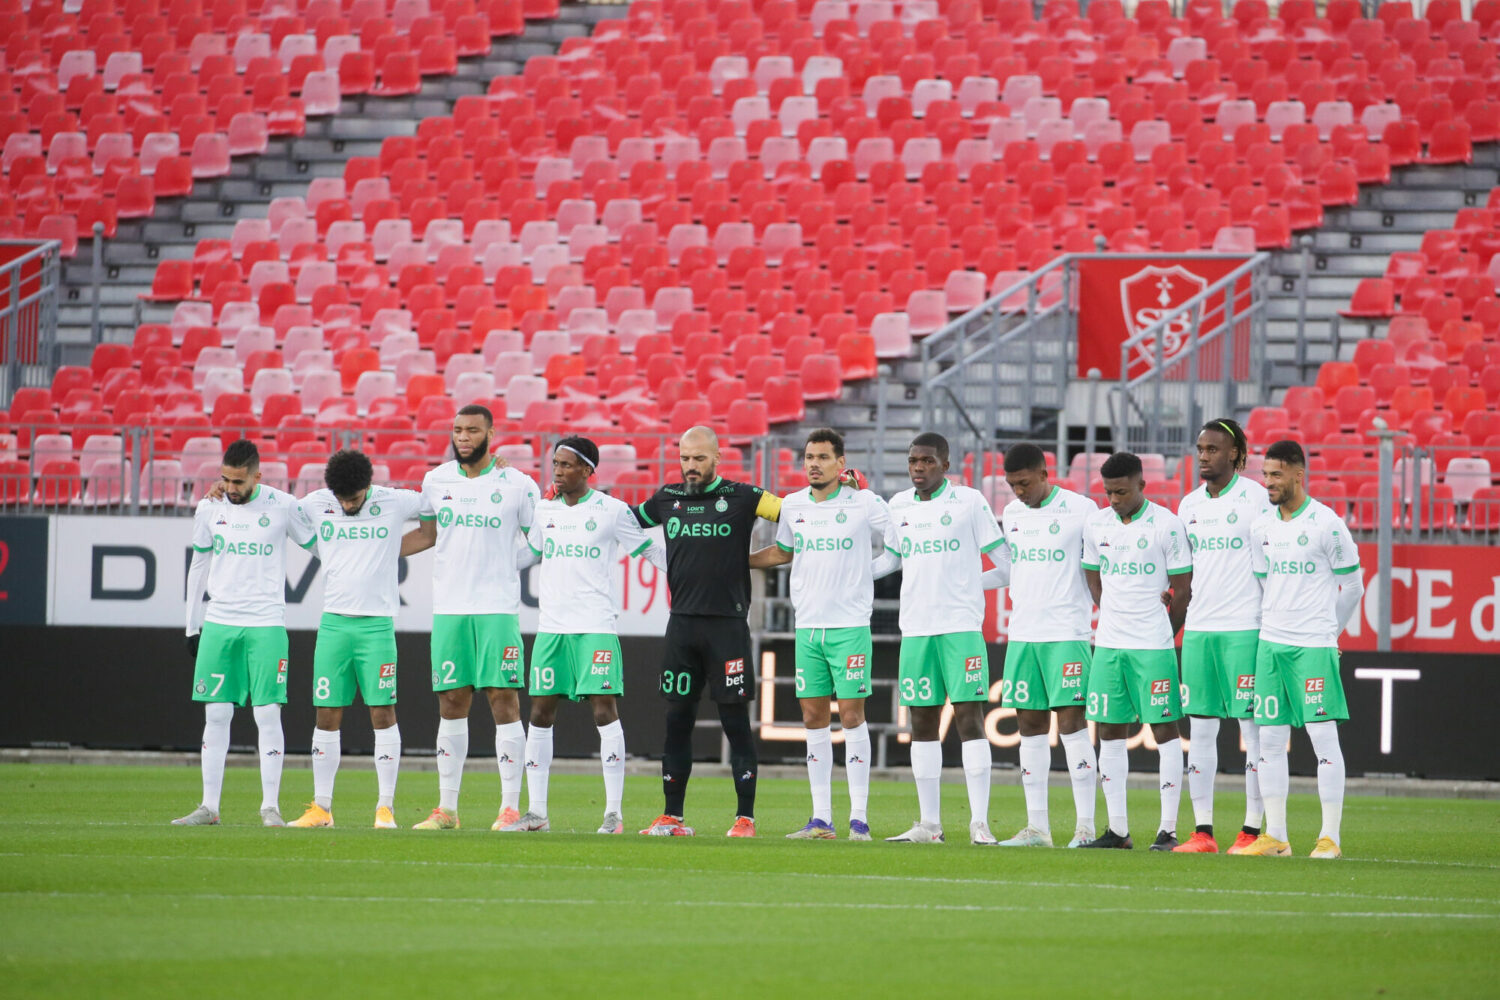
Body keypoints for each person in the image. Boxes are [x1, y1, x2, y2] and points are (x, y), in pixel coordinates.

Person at [497, 437, 666, 834]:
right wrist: (489, 556)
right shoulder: (545, 510)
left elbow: (649, 551)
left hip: (595, 626)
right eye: (555, 463)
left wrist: (693, 571)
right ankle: (537, 813)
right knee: (540, 713)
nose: (557, 471)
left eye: (566, 464)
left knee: (604, 710)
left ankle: (614, 813)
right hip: (552, 628)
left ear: (588, 470)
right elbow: (529, 554)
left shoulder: (611, 511)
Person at [633, 426, 783, 838]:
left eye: (699, 458)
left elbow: (795, 513)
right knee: (677, 720)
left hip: (727, 627)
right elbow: (623, 519)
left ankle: (745, 818)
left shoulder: (744, 496)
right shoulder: (666, 499)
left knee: (735, 722)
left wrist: (770, 555)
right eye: (685, 458)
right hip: (682, 625)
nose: (691, 466)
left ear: (717, 457)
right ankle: (672, 816)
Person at [748, 428, 893, 841]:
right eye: (809, 457)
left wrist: (865, 574)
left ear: (840, 463)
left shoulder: (863, 503)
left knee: (851, 716)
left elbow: (898, 545)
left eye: (823, 457)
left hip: (850, 627)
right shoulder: (793, 505)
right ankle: (821, 818)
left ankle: (859, 819)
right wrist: (736, 561)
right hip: (808, 627)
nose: (814, 464)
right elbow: (783, 552)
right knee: (812, 718)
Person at [400, 404, 539, 831]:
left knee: (503, 698)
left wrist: (507, 565)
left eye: (472, 430)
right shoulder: (436, 480)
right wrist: (373, 550)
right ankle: (447, 810)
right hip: (450, 608)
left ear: (490, 434)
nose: (463, 437)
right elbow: (426, 534)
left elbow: (538, 540)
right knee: (451, 700)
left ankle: (510, 807)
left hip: (497, 608)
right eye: (458, 429)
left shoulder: (518, 484)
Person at [174, 440, 317, 827]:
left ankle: (270, 807)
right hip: (220, 621)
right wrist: (192, 624)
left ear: (258, 476)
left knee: (267, 713)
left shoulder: (282, 506)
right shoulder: (209, 508)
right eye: (225, 479)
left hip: (266, 622)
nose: (231, 488)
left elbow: (319, 547)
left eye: (238, 481)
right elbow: (198, 566)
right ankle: (209, 807)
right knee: (216, 713)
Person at [286, 449, 425, 829]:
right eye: (342, 499)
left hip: (376, 626)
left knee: (382, 712)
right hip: (334, 624)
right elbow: (278, 511)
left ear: (368, 486)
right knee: (327, 713)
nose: (347, 505)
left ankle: (385, 807)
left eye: (354, 498)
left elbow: (441, 504)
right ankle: (321, 808)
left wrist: (393, 547)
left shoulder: (394, 501)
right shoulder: (317, 503)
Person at [881, 433, 1008, 845]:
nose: (918, 467)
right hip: (916, 629)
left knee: (969, 717)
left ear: (946, 465)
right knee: (921, 720)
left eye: (927, 461)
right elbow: (890, 560)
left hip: (960, 628)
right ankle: (929, 825)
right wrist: (848, 575)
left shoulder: (969, 502)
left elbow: (1006, 565)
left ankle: (980, 823)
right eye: (913, 460)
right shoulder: (898, 505)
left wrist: (970, 584)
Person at [1242, 439, 1362, 859]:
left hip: (1313, 645)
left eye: (1276, 474)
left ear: (1298, 474)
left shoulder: (1327, 524)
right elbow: (1265, 582)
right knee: (1269, 743)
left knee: (1323, 740)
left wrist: (1331, 633)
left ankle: (1330, 838)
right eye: (1265, 474)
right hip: (1271, 645)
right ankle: (1276, 836)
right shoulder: (1261, 528)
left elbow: (1353, 586)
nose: (1268, 482)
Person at [1080, 451, 1193, 851]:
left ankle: (1168, 830)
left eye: (1122, 492)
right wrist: (1110, 610)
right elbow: (1092, 575)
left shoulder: (1167, 525)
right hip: (1109, 645)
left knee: (1165, 730)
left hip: (1152, 647)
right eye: (1109, 492)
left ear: (1142, 485)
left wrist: (1164, 631)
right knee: (1109, 730)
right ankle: (1118, 830)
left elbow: (1183, 590)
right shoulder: (1096, 524)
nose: (1114, 499)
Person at [992, 443, 1100, 849]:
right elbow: (1011, 570)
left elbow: (1100, 565)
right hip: (1023, 635)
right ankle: (1037, 828)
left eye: (1024, 483)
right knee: (1030, 728)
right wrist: (966, 584)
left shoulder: (1081, 510)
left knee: (1072, 726)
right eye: (1012, 485)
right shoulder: (1012, 514)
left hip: (1067, 634)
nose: (1018, 492)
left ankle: (1085, 828)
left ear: (1043, 474)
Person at [1173, 419, 1273, 854]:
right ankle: (1203, 832)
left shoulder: (1256, 498)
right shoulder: (1188, 505)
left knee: (1253, 732)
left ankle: (1251, 830)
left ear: (1234, 454)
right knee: (1200, 730)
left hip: (1245, 627)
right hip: (1199, 630)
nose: (1203, 456)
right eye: (1200, 449)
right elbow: (1185, 571)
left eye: (1212, 449)